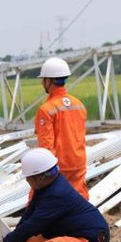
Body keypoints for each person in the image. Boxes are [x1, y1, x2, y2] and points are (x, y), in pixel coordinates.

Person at [2, 148, 109, 242]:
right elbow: (29, 213)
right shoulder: (46, 185)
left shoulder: (57, 193)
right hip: (69, 233)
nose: (26, 180)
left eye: (28, 177)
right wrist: (13, 238)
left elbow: (34, 225)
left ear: (39, 177)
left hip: (91, 239)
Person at [35, 57, 88, 199]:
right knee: (80, 203)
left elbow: (46, 147)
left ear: (48, 81)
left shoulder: (47, 109)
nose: (42, 83)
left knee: (44, 203)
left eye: (43, 79)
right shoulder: (79, 104)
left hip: (59, 169)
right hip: (78, 164)